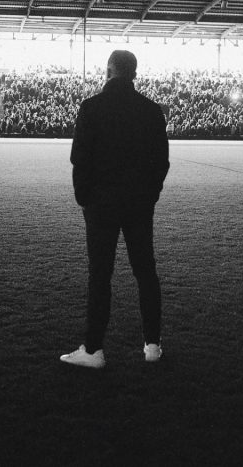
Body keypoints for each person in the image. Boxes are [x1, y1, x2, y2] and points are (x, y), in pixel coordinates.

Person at [60, 50, 170, 369]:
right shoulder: (151, 111)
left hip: (101, 204)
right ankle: (152, 345)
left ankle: (93, 350)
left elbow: (80, 158)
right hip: (138, 203)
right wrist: (150, 196)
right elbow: (160, 162)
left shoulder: (91, 107)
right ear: (134, 73)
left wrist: (85, 198)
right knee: (145, 272)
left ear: (109, 70)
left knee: (100, 276)